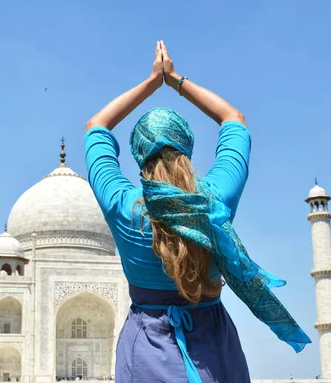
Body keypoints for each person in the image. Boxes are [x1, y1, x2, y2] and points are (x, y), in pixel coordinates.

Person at [84, 41, 311, 383]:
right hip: (214, 349)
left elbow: (96, 127)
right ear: (187, 147)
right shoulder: (214, 203)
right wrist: (175, 79)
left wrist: (151, 82)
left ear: (137, 154)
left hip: (146, 348)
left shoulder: (122, 206)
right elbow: (234, 119)